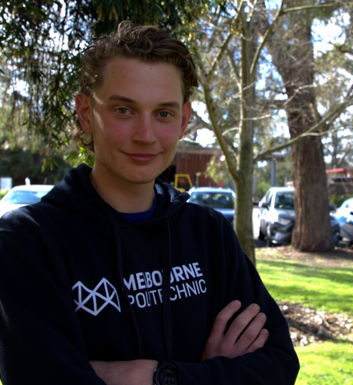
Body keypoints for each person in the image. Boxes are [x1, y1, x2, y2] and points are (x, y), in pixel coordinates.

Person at [0, 22, 299, 385]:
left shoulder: (209, 233)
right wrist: (215, 375)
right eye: (123, 110)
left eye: (163, 114)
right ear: (85, 114)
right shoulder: (28, 242)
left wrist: (154, 375)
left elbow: (279, 364)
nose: (145, 136)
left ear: (184, 120)